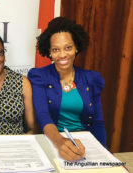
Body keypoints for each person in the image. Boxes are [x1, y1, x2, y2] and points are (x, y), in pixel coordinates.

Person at [28, 17, 106, 161]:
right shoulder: (40, 76)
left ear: (76, 47)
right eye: (56, 49)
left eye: (68, 47)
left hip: (86, 141)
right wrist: (60, 142)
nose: (63, 55)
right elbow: (43, 116)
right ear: (49, 52)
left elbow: (98, 122)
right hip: (54, 139)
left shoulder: (91, 79)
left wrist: (102, 154)